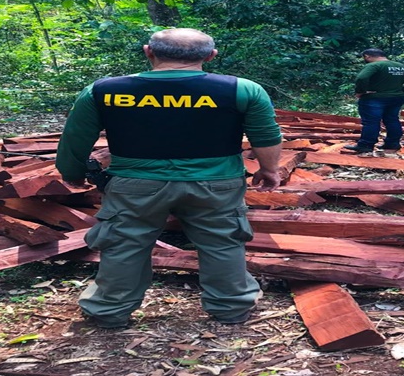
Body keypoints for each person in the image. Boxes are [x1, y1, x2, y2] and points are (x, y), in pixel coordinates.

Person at [56, 28, 282, 328]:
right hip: (216, 185)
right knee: (222, 243)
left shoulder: (103, 90)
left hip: (134, 185)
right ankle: (231, 308)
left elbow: (75, 139)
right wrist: (269, 170)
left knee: (123, 245)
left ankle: (109, 312)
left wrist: (72, 173)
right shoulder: (242, 89)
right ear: (211, 56)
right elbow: (266, 136)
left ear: (148, 51)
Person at [344, 48, 404, 154]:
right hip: (396, 98)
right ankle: (393, 144)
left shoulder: (373, 65)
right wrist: (403, 89)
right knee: (392, 120)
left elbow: (361, 78)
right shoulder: (400, 66)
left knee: (371, 122)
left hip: (375, 98)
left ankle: (366, 145)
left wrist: (361, 91)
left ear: (367, 56)